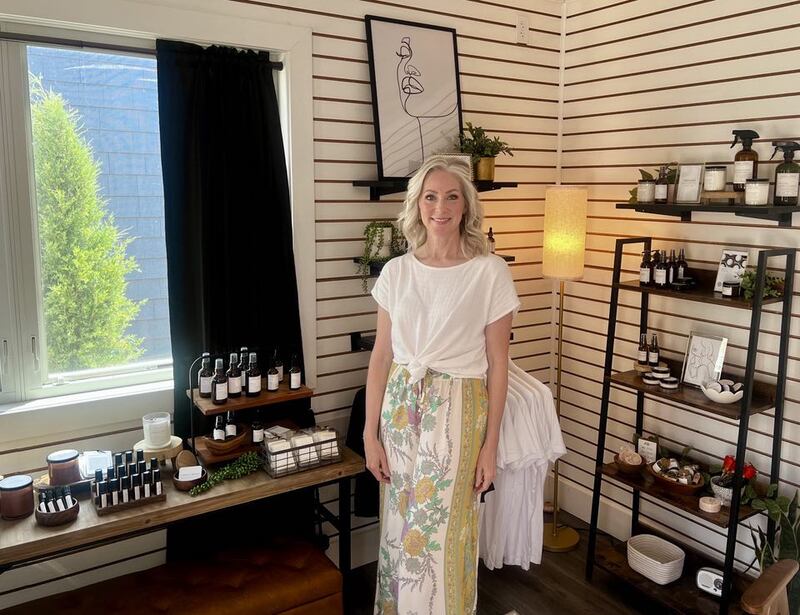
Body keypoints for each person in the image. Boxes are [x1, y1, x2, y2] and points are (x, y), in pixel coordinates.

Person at [364, 155, 521, 614]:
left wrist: (491, 446)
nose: (441, 206)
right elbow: (381, 356)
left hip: (457, 408)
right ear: (417, 205)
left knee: (441, 532)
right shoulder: (396, 272)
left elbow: (498, 363)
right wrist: (370, 434)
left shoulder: (489, 272)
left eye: (452, 196)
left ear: (466, 206)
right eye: (430, 196)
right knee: (398, 525)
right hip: (399, 404)